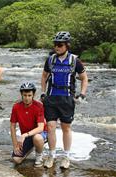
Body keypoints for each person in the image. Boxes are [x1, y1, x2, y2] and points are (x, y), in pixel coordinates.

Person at [41, 31, 88, 169]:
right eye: (55, 44)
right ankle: (52, 155)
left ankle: (66, 157)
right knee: (50, 127)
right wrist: (43, 93)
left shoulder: (75, 60)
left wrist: (82, 94)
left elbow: (84, 78)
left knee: (66, 127)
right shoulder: (50, 60)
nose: (57, 47)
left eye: (60, 45)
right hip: (51, 98)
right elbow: (44, 76)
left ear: (67, 45)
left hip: (67, 99)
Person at [10, 82, 47, 168]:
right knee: (16, 159)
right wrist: (15, 145)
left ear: (33, 95)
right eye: (25, 95)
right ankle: (31, 148)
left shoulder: (39, 106)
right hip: (27, 136)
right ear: (21, 95)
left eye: (29, 95)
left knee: (37, 138)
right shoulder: (16, 107)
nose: (27, 98)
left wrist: (24, 135)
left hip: (41, 133)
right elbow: (12, 126)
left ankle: (39, 156)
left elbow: (40, 128)